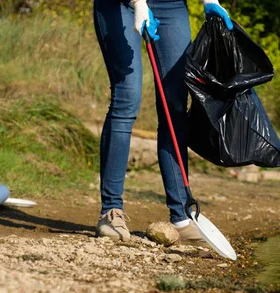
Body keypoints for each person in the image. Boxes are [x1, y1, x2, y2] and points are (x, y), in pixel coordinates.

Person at [93, 0, 233, 243]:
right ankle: (111, 211)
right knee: (127, 97)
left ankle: (181, 216)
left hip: (171, 5)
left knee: (175, 104)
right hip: (119, 5)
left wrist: (210, 1)